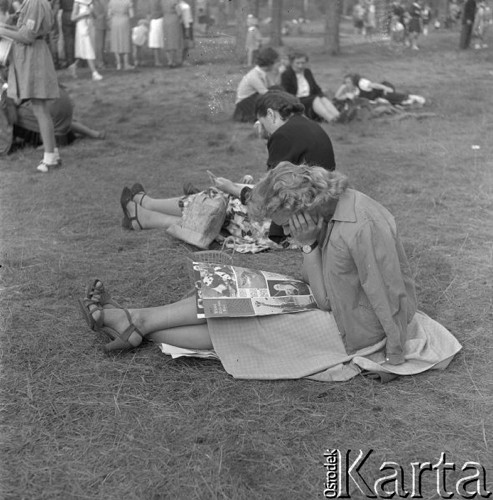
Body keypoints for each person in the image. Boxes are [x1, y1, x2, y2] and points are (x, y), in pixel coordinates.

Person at [79, 162, 461, 382]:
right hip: (331, 303)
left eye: (281, 222)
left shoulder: (361, 226)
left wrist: (394, 361)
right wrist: (310, 244)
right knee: (231, 290)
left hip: (356, 331)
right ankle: (137, 322)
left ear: (299, 209)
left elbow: (388, 296)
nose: (281, 230)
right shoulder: (329, 213)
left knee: (243, 326)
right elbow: (325, 288)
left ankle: (134, 324)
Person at [0, 0, 62, 172]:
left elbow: (27, 36)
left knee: (40, 109)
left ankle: (50, 158)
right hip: (31, 56)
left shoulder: (35, 2)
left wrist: (2, 30)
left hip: (33, 57)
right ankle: (53, 153)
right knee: (39, 108)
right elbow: (25, 31)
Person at [1, 81, 105, 150]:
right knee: (53, 117)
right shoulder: (35, 69)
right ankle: (93, 133)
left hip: (53, 121)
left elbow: (14, 105)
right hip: (62, 109)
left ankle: (49, 143)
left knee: (10, 116)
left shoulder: (15, 78)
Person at [280, 51, 340, 123]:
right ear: (292, 63)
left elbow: (315, 86)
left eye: (303, 63)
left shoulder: (307, 72)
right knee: (315, 98)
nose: (300, 66)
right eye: (298, 63)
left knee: (322, 98)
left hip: (310, 97)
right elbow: (286, 92)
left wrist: (322, 95)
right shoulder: (286, 74)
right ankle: (331, 119)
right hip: (297, 100)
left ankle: (338, 116)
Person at [233, 46, 280, 123]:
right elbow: (265, 93)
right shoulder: (254, 76)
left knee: (277, 89)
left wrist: (278, 74)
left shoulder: (264, 73)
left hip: (254, 99)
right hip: (245, 104)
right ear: (270, 63)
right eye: (276, 62)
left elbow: (273, 86)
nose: (277, 64)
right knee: (274, 93)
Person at [334, 74, 425, 107]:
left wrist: (386, 88)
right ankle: (406, 102)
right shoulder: (352, 92)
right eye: (345, 83)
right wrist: (342, 87)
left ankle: (410, 97)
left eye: (349, 82)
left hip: (383, 88)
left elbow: (375, 85)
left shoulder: (361, 83)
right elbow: (337, 97)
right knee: (384, 101)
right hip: (378, 97)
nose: (347, 84)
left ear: (353, 82)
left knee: (387, 96)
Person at [70, 0, 103, 80]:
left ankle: (74, 65)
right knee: (88, 48)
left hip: (90, 26)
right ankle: (94, 73)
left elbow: (95, 15)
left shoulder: (91, 1)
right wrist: (84, 14)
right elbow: (73, 17)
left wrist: (94, 14)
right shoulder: (77, 2)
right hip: (82, 28)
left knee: (85, 49)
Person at [108, 0, 133, 70]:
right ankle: (126, 64)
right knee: (125, 42)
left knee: (116, 42)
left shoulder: (111, 2)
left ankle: (118, 64)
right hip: (124, 21)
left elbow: (109, 14)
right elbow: (131, 15)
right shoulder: (128, 1)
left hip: (115, 21)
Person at [161, 0, 184, 68]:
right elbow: (179, 13)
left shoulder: (163, 1)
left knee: (167, 40)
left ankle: (169, 60)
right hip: (174, 20)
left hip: (165, 19)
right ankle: (172, 61)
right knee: (173, 40)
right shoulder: (174, 2)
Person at [60, 0, 76, 67]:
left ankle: (70, 61)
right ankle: (76, 59)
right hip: (75, 13)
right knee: (75, 38)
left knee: (67, 39)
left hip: (65, 13)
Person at [147, 0, 163, 67]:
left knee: (156, 41)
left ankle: (157, 60)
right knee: (157, 42)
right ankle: (157, 61)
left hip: (153, 20)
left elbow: (148, 13)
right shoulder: (157, 2)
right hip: (158, 20)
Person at [93, 0, 108, 69]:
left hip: (102, 24)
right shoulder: (94, 2)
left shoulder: (99, 2)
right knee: (99, 45)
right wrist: (105, 14)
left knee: (101, 45)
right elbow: (96, 15)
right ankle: (99, 62)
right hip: (98, 25)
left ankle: (101, 61)